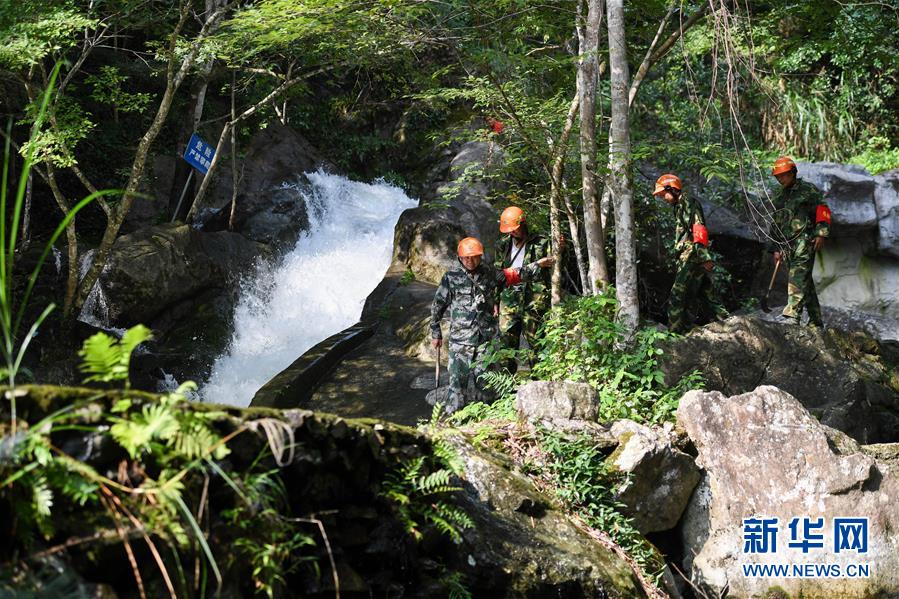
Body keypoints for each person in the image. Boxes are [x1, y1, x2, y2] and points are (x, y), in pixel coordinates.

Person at [430, 236, 554, 413]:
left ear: (480, 256)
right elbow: (438, 305)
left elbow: (515, 274)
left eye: (474, 257)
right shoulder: (451, 278)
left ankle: (487, 420)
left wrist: (538, 265)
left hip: (486, 341)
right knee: (457, 386)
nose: (470, 261)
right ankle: (452, 421)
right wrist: (436, 332)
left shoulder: (490, 273)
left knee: (487, 385)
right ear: (459, 258)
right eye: (466, 257)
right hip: (460, 343)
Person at [653, 174, 729, 333]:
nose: (663, 198)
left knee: (677, 295)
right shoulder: (678, 206)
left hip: (692, 256)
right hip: (687, 256)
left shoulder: (688, 203)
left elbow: (698, 229)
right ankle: (728, 323)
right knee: (704, 292)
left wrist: (704, 257)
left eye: (663, 194)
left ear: (672, 189)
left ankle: (674, 333)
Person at [767, 156, 831, 327]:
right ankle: (816, 320)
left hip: (805, 241)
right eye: (778, 176)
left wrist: (821, 233)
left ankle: (792, 314)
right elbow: (776, 222)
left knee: (798, 276)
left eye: (784, 175)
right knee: (805, 281)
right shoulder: (780, 196)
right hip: (786, 245)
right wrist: (776, 247)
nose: (781, 179)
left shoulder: (807, 190)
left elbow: (822, 210)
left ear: (793, 173)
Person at [493, 206, 556, 373]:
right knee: (506, 345)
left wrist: (562, 248)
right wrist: (495, 300)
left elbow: (555, 265)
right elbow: (498, 275)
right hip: (509, 299)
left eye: (515, 229)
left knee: (536, 344)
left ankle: (539, 385)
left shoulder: (541, 242)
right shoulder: (502, 245)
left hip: (534, 299)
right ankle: (506, 389)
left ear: (523, 224)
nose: (512, 233)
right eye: (510, 231)